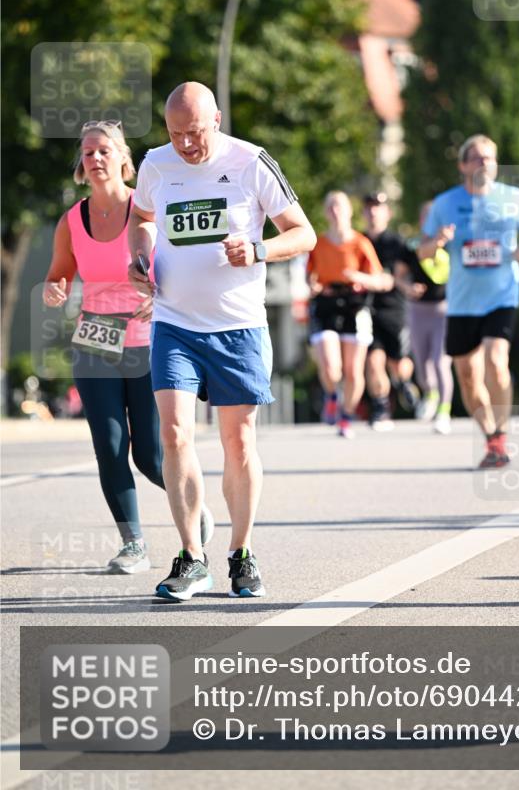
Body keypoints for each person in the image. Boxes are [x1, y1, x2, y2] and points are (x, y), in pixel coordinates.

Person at [128, 82, 315, 601]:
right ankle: (191, 557)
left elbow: (304, 234)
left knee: (238, 442)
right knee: (175, 435)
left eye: (194, 133)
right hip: (174, 324)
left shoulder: (252, 161)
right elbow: (141, 218)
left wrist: (257, 250)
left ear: (216, 120)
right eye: (175, 134)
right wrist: (139, 257)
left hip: (237, 328)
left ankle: (242, 552)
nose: (186, 145)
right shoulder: (155, 165)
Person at [43, 121, 216, 574]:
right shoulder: (73, 219)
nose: (94, 159)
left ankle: (194, 509)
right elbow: (60, 271)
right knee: (110, 447)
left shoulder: (148, 207)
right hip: (95, 340)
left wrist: (159, 299)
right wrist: (54, 289)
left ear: (123, 158)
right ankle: (133, 543)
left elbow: (180, 265)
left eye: (103, 150)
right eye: (86, 153)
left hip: (147, 340)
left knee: (150, 456)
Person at [420, 134, 519, 468]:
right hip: (462, 301)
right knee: (468, 377)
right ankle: (490, 436)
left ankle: (501, 434)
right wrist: (438, 242)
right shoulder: (445, 203)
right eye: (475, 157)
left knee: (496, 361)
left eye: (489, 158)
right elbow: (422, 250)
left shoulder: (512, 197)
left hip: (502, 294)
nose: (483, 163)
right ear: (462, 165)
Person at [307, 191, 390, 438]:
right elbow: (309, 277)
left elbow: (381, 281)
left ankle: (346, 415)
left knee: (354, 371)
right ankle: (332, 395)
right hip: (326, 305)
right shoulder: (318, 244)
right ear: (325, 212)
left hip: (355, 306)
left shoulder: (360, 243)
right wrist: (313, 286)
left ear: (349, 211)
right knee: (332, 368)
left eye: (340, 206)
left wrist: (359, 278)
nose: (335, 211)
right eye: (331, 206)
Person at [394, 201, 454, 434]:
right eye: (426, 218)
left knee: (441, 361)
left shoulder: (451, 246)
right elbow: (398, 277)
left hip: (445, 310)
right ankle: (430, 393)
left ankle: (444, 412)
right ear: (421, 221)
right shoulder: (411, 245)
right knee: (422, 365)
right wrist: (408, 287)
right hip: (418, 311)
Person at [362, 192, 419, 430]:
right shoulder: (359, 241)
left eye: (379, 207)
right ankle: (380, 407)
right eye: (369, 207)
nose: (374, 211)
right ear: (364, 212)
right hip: (366, 309)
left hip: (394, 309)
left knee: (399, 363)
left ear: (388, 212)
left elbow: (414, 269)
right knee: (374, 362)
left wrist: (406, 283)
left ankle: (404, 382)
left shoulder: (398, 243)